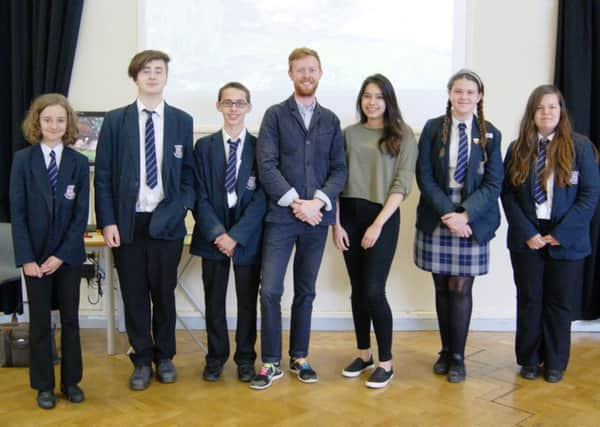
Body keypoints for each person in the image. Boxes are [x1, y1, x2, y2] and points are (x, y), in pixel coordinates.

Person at [94, 50, 195, 390]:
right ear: (135, 77)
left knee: (163, 294)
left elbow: (187, 180)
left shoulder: (182, 120)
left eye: (159, 70)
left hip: (166, 223)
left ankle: (164, 356)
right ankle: (140, 358)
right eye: (145, 71)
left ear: (166, 77)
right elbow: (103, 176)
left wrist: (178, 210)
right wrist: (107, 222)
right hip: (128, 223)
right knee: (135, 295)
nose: (152, 76)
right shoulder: (115, 121)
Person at [251, 47, 347, 390]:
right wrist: (297, 203)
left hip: (316, 221)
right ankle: (271, 362)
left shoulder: (331, 120)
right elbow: (266, 165)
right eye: (300, 70)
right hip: (281, 218)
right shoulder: (275, 115)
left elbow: (339, 170)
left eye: (312, 70)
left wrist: (317, 204)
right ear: (290, 74)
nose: (307, 75)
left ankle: (300, 357)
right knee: (271, 290)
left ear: (320, 74)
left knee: (305, 291)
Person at [501, 85, 599, 383]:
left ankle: (555, 362)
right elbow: (508, 195)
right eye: (540, 107)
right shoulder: (518, 148)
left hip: (566, 237)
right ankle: (529, 359)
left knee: (559, 301)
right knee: (530, 299)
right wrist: (527, 231)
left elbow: (590, 194)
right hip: (527, 236)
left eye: (552, 107)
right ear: (532, 113)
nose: (546, 112)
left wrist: (562, 233)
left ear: (561, 112)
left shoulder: (580, 147)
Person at [414, 69, 503, 383]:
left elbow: (494, 183)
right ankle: (444, 349)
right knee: (441, 286)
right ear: (450, 94)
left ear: (479, 97)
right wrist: (449, 213)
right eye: (458, 91)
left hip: (473, 216)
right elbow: (423, 175)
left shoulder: (491, 133)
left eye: (470, 92)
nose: (463, 97)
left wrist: (465, 215)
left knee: (460, 287)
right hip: (439, 211)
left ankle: (458, 357)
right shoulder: (432, 128)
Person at [332, 74, 417, 388]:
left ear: (388, 100)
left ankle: (386, 362)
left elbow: (402, 183)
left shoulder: (403, 135)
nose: (372, 102)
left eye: (379, 96)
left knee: (373, 290)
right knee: (357, 290)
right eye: (367, 96)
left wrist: (378, 224)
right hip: (348, 216)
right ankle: (364, 354)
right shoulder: (348, 134)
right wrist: (336, 224)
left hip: (382, 216)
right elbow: (337, 182)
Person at [10, 93, 89, 409]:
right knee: (41, 323)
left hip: (66, 258)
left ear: (68, 123)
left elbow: (80, 215)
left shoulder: (78, 163)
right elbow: (18, 214)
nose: (54, 125)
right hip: (35, 260)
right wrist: (28, 258)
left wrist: (61, 255)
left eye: (60, 119)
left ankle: (71, 382)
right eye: (47, 119)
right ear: (37, 123)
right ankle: (43, 385)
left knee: (70, 320)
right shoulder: (22, 161)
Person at [190, 82, 266, 383]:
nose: (234, 108)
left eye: (240, 103)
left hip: (246, 237)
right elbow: (198, 195)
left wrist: (237, 235)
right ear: (218, 106)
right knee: (214, 300)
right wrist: (218, 233)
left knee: (248, 301)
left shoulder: (260, 147)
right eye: (228, 102)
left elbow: (263, 196)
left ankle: (246, 358)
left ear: (248, 107)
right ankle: (215, 357)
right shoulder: (204, 147)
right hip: (214, 236)